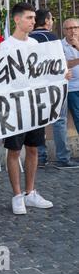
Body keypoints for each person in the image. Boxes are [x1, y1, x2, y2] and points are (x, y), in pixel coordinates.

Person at [0, 2, 54, 215]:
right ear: (17, 20)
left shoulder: (36, 43)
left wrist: (61, 75)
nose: (32, 22)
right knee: (15, 150)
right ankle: (17, 195)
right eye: (29, 18)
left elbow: (46, 71)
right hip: (14, 106)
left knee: (34, 148)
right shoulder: (5, 46)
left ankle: (30, 192)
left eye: (34, 19)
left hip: (35, 104)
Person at [30, 10, 79, 169]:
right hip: (54, 86)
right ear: (46, 21)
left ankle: (41, 158)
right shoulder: (51, 38)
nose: (52, 22)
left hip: (33, 87)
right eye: (51, 19)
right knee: (59, 120)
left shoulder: (27, 38)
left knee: (38, 122)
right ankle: (63, 158)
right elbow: (59, 64)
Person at [62, 18, 79, 135]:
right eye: (69, 28)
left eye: (75, 28)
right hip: (72, 88)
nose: (73, 31)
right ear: (64, 31)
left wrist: (78, 46)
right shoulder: (60, 45)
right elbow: (63, 65)